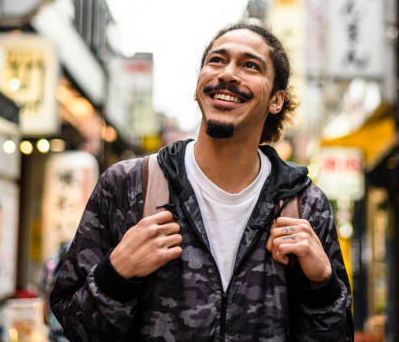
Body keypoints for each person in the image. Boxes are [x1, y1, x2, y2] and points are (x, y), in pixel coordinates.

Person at [50, 23, 353, 341]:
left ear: (277, 100)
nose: (228, 73)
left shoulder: (304, 205)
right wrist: (117, 275)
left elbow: (339, 336)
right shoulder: (128, 186)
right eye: (217, 60)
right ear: (197, 87)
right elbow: (72, 325)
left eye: (250, 65)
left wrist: (323, 286)